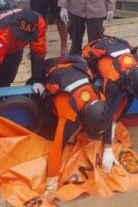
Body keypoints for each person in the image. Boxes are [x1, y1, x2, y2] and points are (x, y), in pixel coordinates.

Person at [41, 56, 112, 193]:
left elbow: (107, 118)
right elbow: (57, 149)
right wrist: (51, 182)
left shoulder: (99, 97)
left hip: (75, 68)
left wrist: (108, 148)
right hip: (55, 72)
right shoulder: (69, 115)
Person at [81, 36, 138, 149]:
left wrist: (115, 122)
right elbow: (107, 110)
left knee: (127, 94)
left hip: (115, 52)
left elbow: (129, 99)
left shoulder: (136, 65)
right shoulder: (113, 81)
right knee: (94, 92)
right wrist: (107, 147)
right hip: (90, 59)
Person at [0, 0, 47, 88]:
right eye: (22, 35)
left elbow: (39, 52)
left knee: (7, 78)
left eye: (26, 36)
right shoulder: (1, 28)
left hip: (14, 47)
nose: (23, 38)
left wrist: (37, 80)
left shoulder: (39, 21)